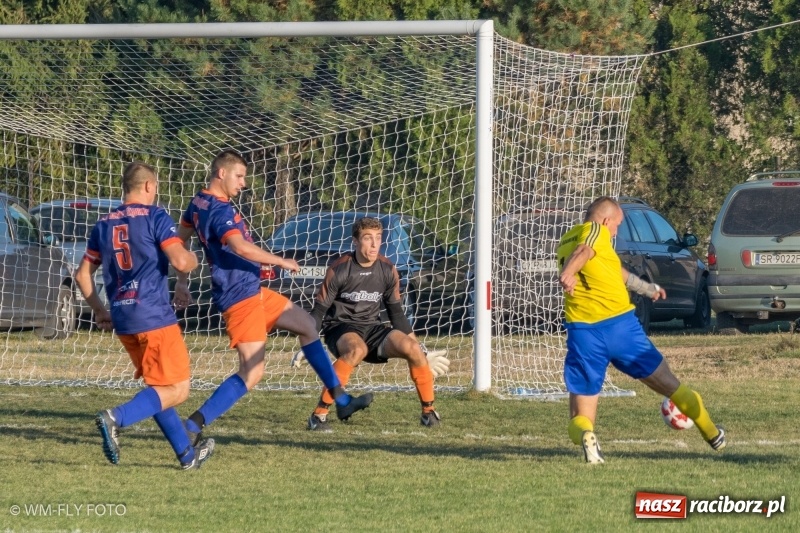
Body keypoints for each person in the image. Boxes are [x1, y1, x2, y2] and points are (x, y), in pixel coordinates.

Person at [175, 150, 372, 441]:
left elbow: (181, 238)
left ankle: (341, 401)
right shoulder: (218, 209)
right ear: (221, 173)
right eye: (239, 176)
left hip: (252, 291)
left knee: (306, 325)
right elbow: (240, 247)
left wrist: (181, 281)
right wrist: (279, 261)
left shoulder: (198, 201)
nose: (243, 183)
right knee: (251, 373)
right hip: (239, 298)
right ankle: (191, 426)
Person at [556, 196, 726, 464]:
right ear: (605, 220)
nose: (616, 232)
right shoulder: (595, 231)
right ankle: (713, 433)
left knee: (580, 417)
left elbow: (614, 270)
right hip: (621, 328)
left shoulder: (566, 239)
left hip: (584, 334)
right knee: (672, 386)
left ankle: (588, 437)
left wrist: (647, 288)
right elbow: (583, 253)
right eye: (617, 225)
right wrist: (569, 272)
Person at [75, 162, 215, 470]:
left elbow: (83, 274)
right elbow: (181, 260)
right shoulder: (155, 216)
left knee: (159, 387)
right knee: (177, 389)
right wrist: (193, 256)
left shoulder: (104, 223)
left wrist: (99, 311)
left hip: (123, 318)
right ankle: (115, 418)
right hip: (153, 315)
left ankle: (187, 456)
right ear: (149, 186)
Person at [299, 216, 448, 432]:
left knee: (412, 348)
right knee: (357, 349)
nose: (374, 243)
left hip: (372, 328)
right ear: (355, 241)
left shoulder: (387, 269)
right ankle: (318, 416)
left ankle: (428, 412)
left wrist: (421, 352)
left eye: (378, 238)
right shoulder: (339, 269)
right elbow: (319, 310)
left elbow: (397, 314)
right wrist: (308, 342)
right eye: (368, 238)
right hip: (340, 328)